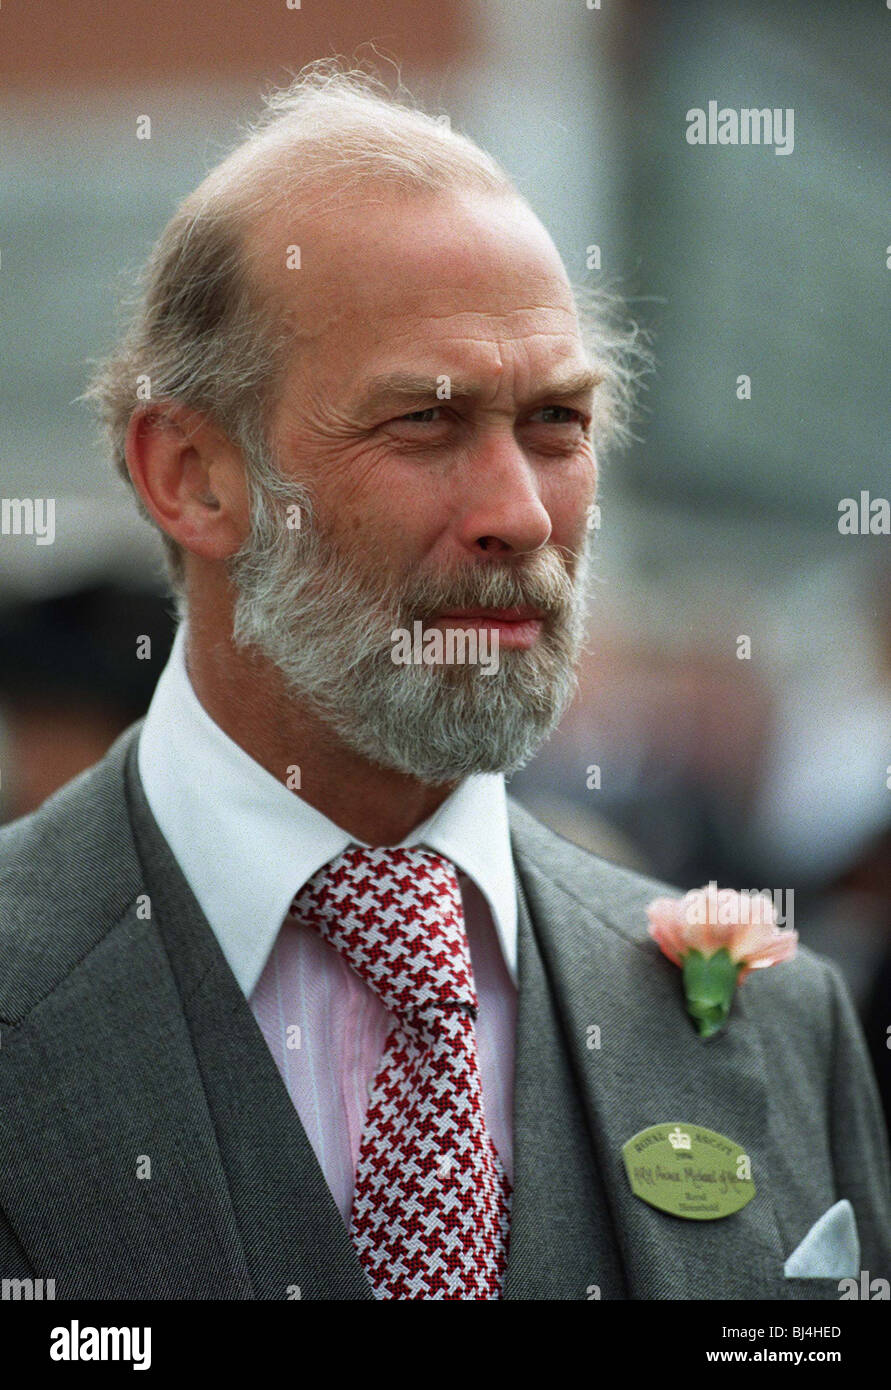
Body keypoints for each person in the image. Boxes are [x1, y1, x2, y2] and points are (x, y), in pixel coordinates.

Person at [0, 63, 887, 1301]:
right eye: (423, 422)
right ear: (192, 473)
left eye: (558, 424)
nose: (521, 516)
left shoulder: (775, 1026)